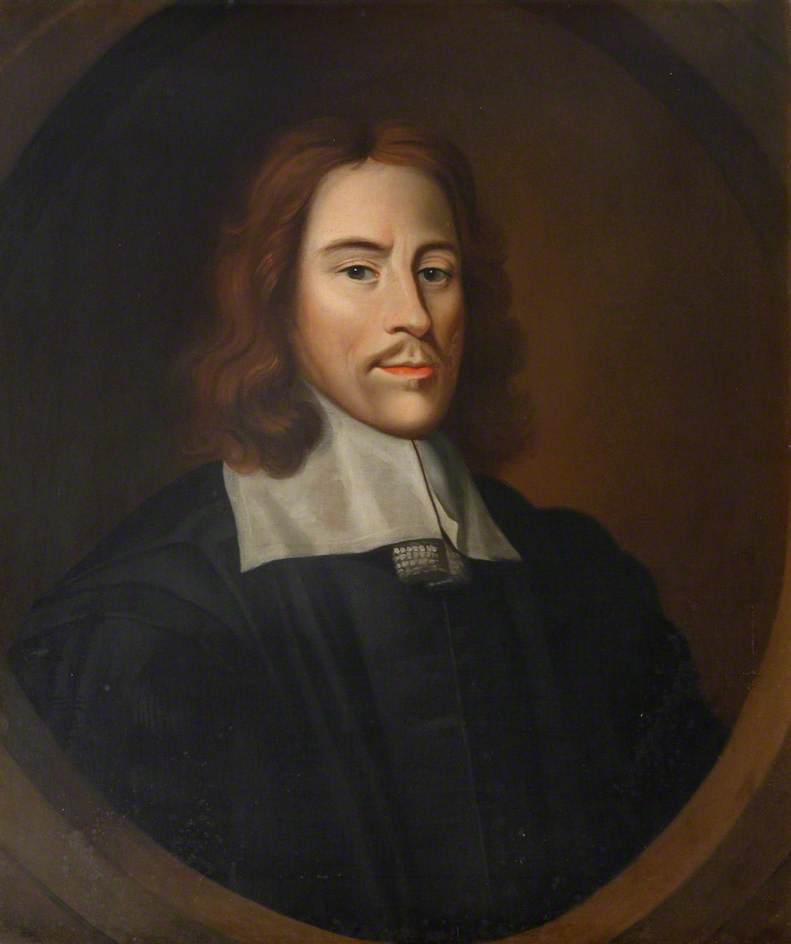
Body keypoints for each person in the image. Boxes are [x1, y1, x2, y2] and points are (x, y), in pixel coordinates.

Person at [8, 118, 726, 942]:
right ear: (277, 298)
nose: (413, 314)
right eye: (358, 270)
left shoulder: (580, 576)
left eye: (435, 272)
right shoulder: (147, 619)